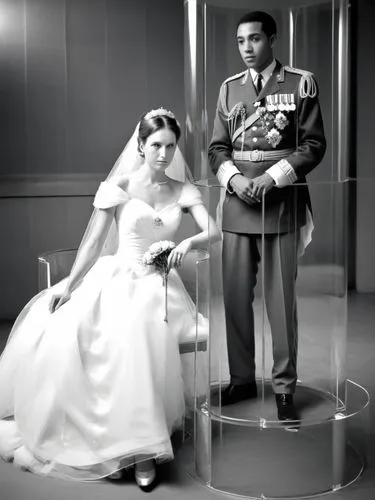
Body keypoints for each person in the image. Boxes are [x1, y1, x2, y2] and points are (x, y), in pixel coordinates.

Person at [0, 108, 220, 490]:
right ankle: (113, 448)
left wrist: (186, 242)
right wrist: (70, 286)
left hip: (159, 282)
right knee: (85, 330)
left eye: (170, 146)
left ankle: (141, 452)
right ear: (140, 145)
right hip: (117, 273)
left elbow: (213, 231)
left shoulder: (183, 190)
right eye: (156, 146)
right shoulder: (118, 185)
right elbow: (94, 243)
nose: (164, 154)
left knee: (140, 330)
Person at [208, 11, 326, 423]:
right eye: (241, 41)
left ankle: (283, 388)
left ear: (271, 40)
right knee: (236, 299)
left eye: (254, 39)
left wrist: (274, 178)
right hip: (239, 203)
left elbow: (313, 144)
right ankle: (241, 379)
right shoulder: (229, 90)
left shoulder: (298, 83)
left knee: (280, 303)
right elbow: (217, 150)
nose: (246, 48)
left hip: (281, 203)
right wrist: (234, 179)